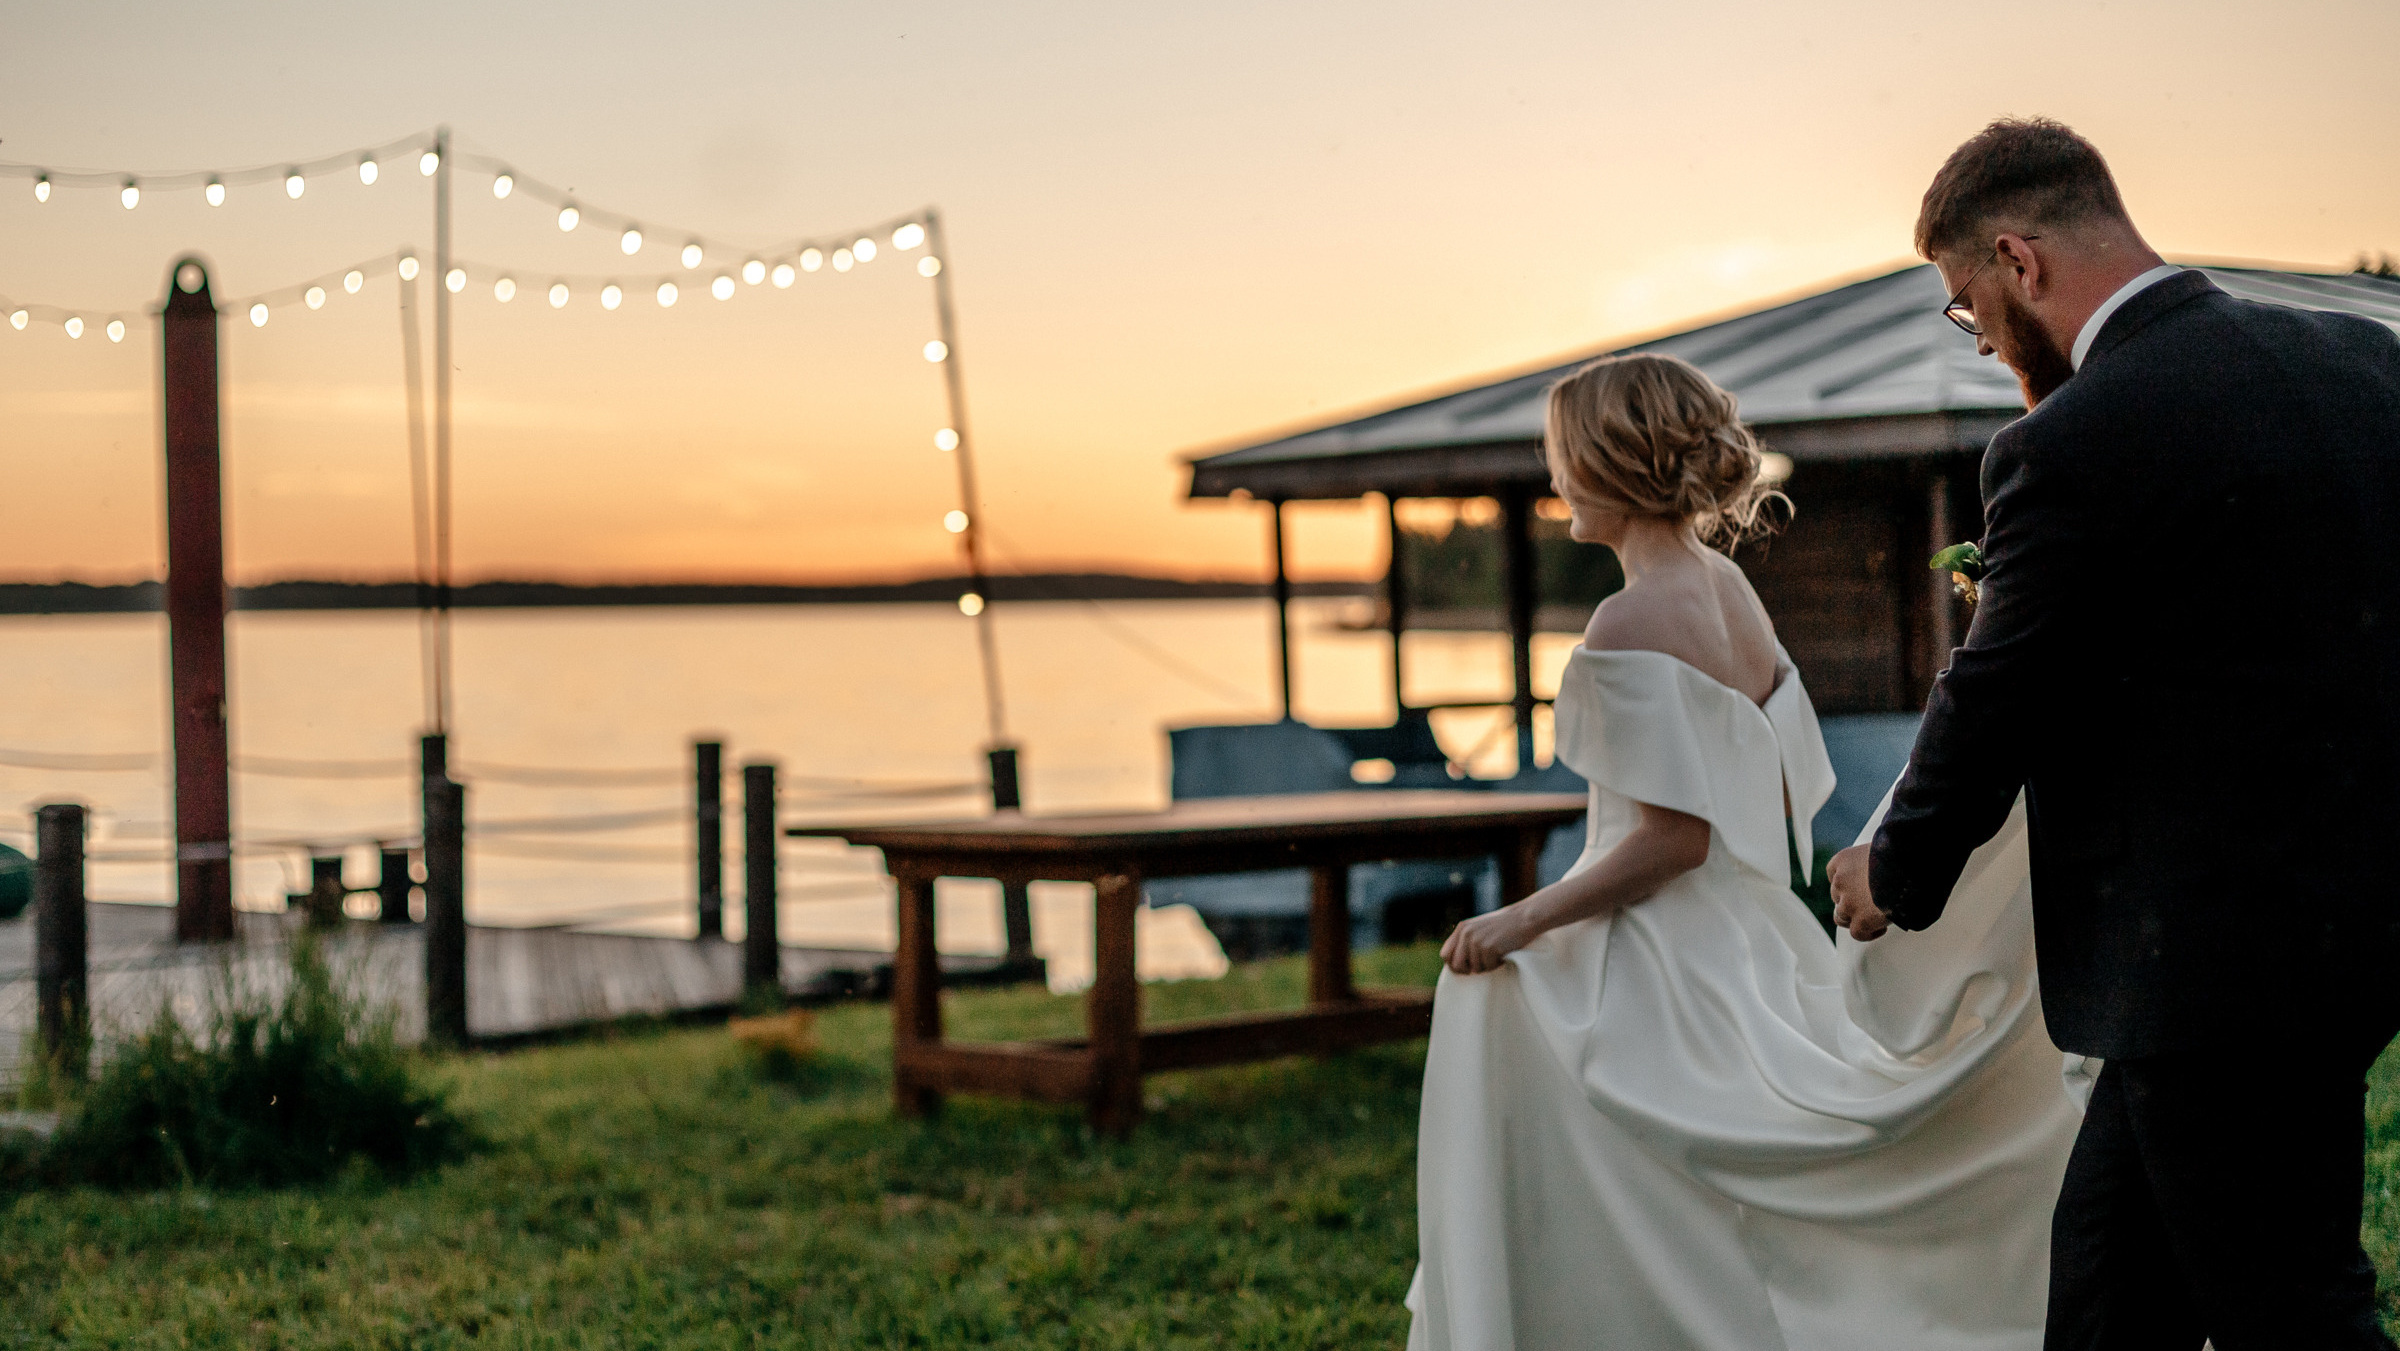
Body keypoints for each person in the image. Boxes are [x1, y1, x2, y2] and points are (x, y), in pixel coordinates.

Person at [1829, 117, 2400, 1349]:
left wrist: (1896, 865)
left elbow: (2000, 688)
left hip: (2210, 966)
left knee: (2295, 1311)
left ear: (2020, 260)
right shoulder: (2372, 365)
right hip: (2353, 925)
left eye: (1966, 302)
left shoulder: (2076, 439)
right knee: (2107, 1295)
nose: (1977, 336)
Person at [1407, 351, 2087, 1350]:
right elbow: (1774, 800)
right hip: (1756, 931)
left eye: (1561, 459)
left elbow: (1672, 842)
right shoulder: (1727, 587)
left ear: (1608, 461)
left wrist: (1523, 916)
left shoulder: (1627, 619)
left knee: (1492, 1000)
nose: (1554, 485)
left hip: (1659, 949)